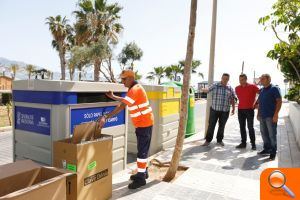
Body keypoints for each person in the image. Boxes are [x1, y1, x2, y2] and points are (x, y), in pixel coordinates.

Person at [98, 70, 154, 189]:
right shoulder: (134, 88)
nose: (122, 82)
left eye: (123, 79)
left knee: (141, 152)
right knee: (143, 149)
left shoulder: (135, 89)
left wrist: (105, 117)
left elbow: (122, 106)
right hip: (143, 124)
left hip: (144, 124)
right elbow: (126, 101)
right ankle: (144, 172)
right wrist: (113, 96)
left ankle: (141, 178)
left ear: (130, 78)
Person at [202, 73, 236, 146]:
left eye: (226, 79)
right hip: (214, 109)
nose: (225, 80)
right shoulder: (215, 85)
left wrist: (233, 108)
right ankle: (208, 140)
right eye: (224, 78)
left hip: (225, 111)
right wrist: (203, 89)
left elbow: (232, 99)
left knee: (222, 126)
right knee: (211, 125)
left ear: (228, 79)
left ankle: (219, 140)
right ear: (221, 78)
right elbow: (208, 89)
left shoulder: (230, 88)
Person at [257, 74, 282, 160]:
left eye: (263, 79)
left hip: (271, 116)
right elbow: (260, 102)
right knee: (264, 134)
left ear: (269, 79)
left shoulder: (274, 88)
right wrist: (258, 114)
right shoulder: (262, 90)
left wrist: (276, 114)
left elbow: (279, 101)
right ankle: (266, 149)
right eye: (261, 79)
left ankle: (273, 152)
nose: (261, 80)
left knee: (272, 135)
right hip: (262, 116)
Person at [235, 74, 259, 150]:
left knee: (250, 127)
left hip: (249, 110)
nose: (240, 81)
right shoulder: (237, 88)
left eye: (242, 80)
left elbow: (262, 94)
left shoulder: (253, 86)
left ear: (246, 79)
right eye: (239, 80)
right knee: (242, 127)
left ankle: (253, 144)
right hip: (240, 110)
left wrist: (256, 103)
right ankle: (243, 143)